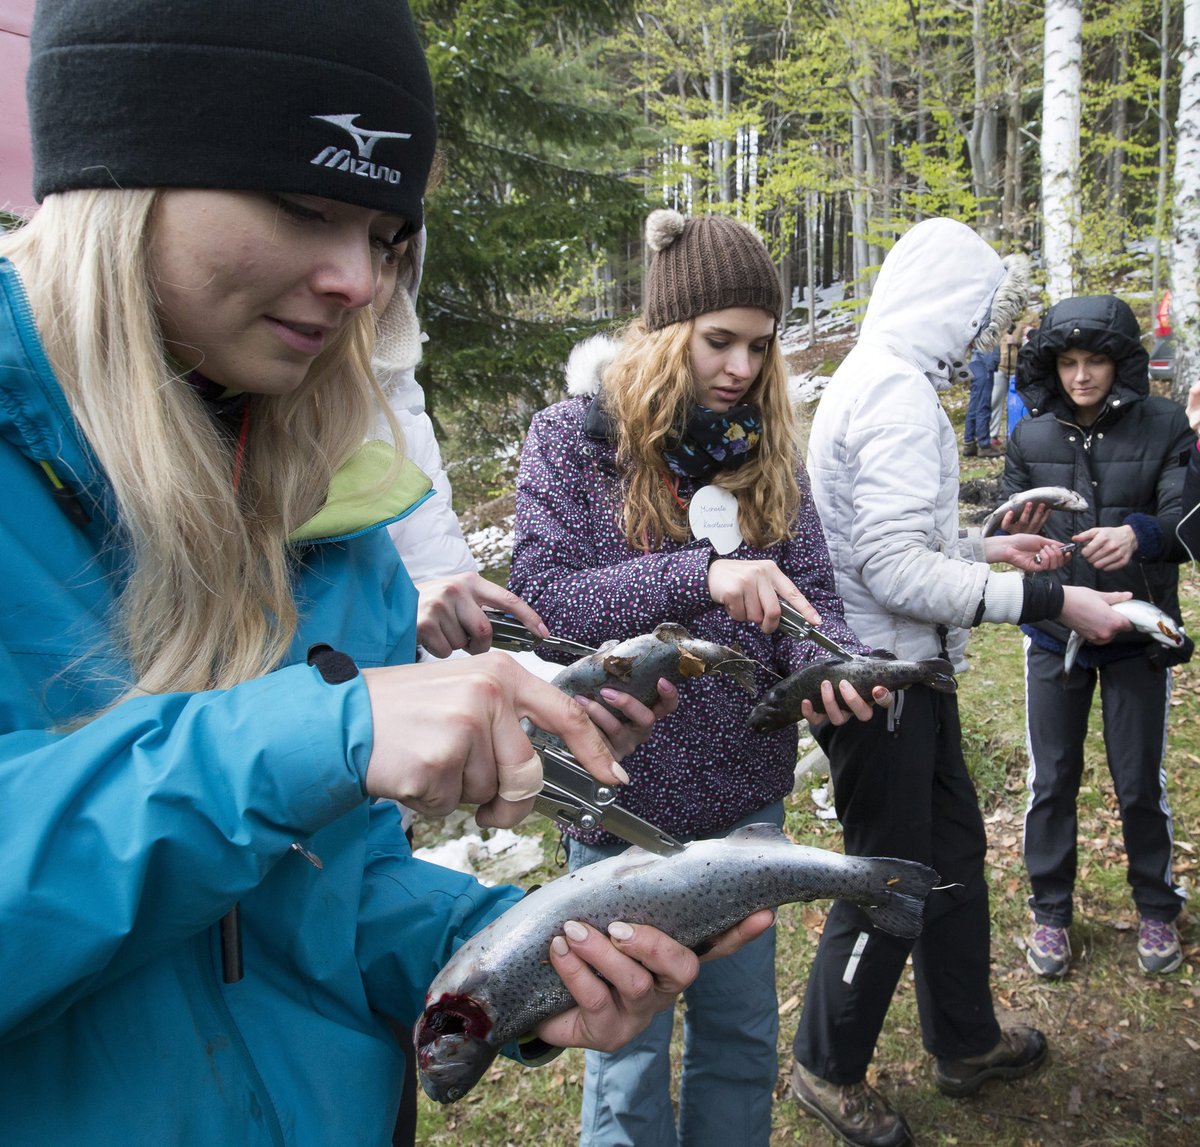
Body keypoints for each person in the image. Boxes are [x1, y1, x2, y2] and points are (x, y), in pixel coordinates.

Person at [0, 3, 774, 1142]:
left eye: (385, 232)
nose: (358, 279)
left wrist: (509, 958)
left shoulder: (326, 496)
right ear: (117, 173)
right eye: (306, 209)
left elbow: (324, 891)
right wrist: (315, 734)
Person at [509, 207, 885, 1147]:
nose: (743, 369)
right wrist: (701, 572)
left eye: (761, 346)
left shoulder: (767, 446)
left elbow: (811, 598)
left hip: (745, 803)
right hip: (621, 802)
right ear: (665, 331)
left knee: (741, 1033)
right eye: (720, 341)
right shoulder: (573, 440)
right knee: (628, 1059)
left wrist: (830, 665)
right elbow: (544, 603)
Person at [791, 217, 1134, 1147]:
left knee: (950, 860)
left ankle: (965, 1040)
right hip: (882, 684)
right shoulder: (896, 393)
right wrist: (1048, 598)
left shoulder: (875, 374)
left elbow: (885, 545)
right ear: (945, 299)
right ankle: (825, 1064)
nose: (983, 331)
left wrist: (983, 546)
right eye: (979, 310)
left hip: (911, 671)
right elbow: (895, 573)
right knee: (891, 878)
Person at [1001, 294, 1194, 979]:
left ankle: (1156, 905)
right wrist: (1032, 553)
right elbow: (1009, 531)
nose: (1082, 375)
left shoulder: (1168, 423)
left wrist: (1138, 533)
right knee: (1051, 778)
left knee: (1139, 780)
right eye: (1070, 361)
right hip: (1055, 632)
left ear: (1121, 363)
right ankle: (1050, 912)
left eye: (1097, 360)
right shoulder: (1029, 437)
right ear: (1054, 365)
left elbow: (1188, 518)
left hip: (1139, 633)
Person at [963, 342, 1002, 457]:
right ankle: (984, 445)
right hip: (984, 363)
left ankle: (969, 443)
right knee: (983, 406)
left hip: (976, 363)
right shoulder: (988, 324)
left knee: (974, 405)